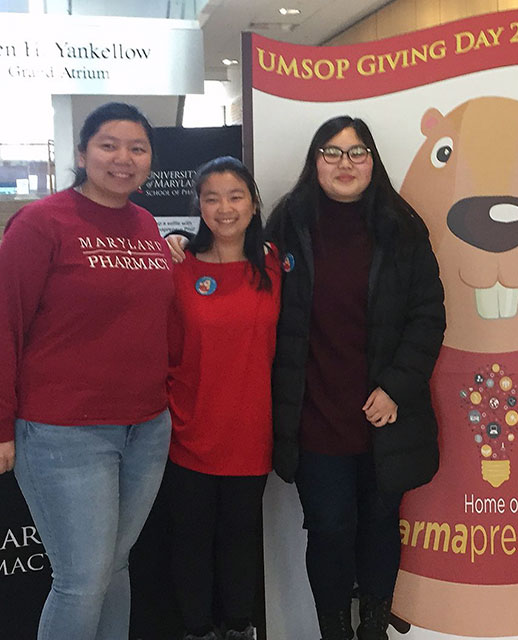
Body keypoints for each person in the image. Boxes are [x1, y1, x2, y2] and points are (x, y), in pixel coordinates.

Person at [0, 102, 173, 640]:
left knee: (114, 569)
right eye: (109, 145)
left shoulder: (145, 224)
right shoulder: (41, 222)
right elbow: (5, 324)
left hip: (146, 426)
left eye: (137, 148)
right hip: (64, 432)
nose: (124, 158)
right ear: (81, 153)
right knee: (80, 580)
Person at [268, 116, 444, 640]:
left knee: (379, 527)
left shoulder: (402, 226)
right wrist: (186, 241)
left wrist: (395, 387)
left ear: (373, 160)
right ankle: (333, 633)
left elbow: (428, 316)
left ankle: (373, 629)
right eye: (332, 152)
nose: (345, 163)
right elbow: (236, 264)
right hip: (314, 414)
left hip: (385, 415)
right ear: (314, 160)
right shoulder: (288, 222)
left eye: (357, 152)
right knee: (328, 530)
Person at [165, 157, 281, 640]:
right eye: (211, 198)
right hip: (187, 433)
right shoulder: (177, 265)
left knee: (240, 544)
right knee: (190, 547)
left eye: (235, 196)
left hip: (251, 435)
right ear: (198, 206)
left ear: (254, 204)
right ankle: (196, 630)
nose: (224, 208)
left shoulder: (275, 263)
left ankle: (239, 628)